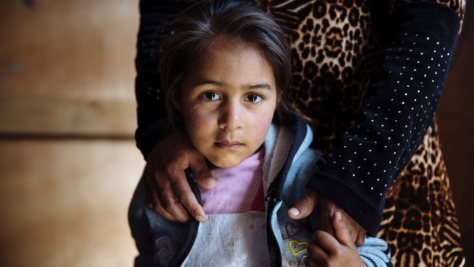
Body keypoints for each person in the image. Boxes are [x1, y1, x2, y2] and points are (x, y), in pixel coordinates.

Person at [132, 0, 466, 265]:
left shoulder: (303, 176)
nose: (231, 120)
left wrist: (358, 178)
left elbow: (432, 19)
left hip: (374, 155)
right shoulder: (166, 188)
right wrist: (158, 127)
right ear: (177, 97)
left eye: (252, 97)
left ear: (277, 98)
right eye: (211, 95)